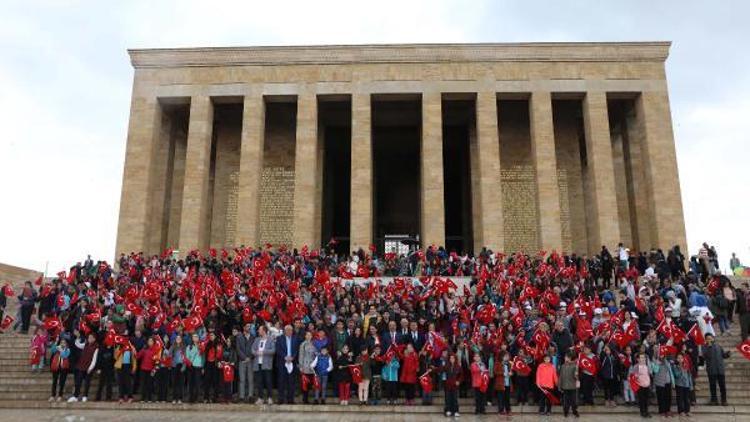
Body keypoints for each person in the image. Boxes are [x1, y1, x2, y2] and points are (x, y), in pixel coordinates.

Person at [69, 333, 98, 402]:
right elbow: (77, 345)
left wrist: (90, 368)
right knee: (78, 382)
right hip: (81, 366)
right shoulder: (85, 345)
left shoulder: (96, 347)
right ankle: (75, 396)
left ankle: (85, 396)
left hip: (89, 367)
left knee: (87, 382)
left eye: (91, 338)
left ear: (94, 339)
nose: (89, 339)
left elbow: (94, 358)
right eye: (89, 338)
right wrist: (78, 337)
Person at [275, 325, 300, 404]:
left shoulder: (296, 339)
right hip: (282, 362)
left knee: (291, 382)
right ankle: (280, 399)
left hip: (292, 362)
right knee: (281, 381)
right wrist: (285, 357)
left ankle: (290, 399)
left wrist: (293, 357)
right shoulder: (279, 338)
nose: (289, 331)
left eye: (291, 330)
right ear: (284, 331)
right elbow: (278, 349)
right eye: (287, 330)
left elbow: (297, 349)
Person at [701, 333, 728, 406]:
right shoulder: (704, 347)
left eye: (710, 338)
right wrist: (709, 347)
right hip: (711, 370)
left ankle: (724, 400)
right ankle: (714, 400)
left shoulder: (718, 346)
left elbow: (723, 355)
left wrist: (727, 354)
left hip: (720, 369)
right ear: (705, 340)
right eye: (707, 339)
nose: (709, 340)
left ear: (713, 338)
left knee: (722, 386)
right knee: (712, 386)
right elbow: (704, 356)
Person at [251, 325, 275, 405]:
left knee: (268, 381)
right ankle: (260, 398)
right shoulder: (257, 339)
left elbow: (273, 350)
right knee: (259, 382)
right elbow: (252, 349)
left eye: (260, 330)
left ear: (264, 331)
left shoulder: (270, 339)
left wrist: (263, 352)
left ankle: (270, 398)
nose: (258, 331)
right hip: (258, 364)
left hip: (267, 364)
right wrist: (256, 353)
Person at [236, 323, 255, 403]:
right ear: (244, 327)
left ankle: (250, 396)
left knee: (250, 379)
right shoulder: (239, 337)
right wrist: (244, 358)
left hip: (250, 360)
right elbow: (238, 349)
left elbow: (254, 348)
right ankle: (242, 397)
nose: (249, 328)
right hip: (242, 360)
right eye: (247, 326)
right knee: (242, 379)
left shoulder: (253, 337)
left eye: (249, 327)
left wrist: (250, 357)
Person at [651, 349, 673, 417]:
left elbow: (669, 370)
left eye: (662, 354)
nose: (661, 355)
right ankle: (662, 411)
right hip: (659, 382)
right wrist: (657, 363)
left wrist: (672, 381)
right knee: (661, 397)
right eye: (660, 354)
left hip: (667, 381)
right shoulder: (654, 361)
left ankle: (668, 410)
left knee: (668, 397)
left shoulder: (667, 361)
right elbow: (655, 371)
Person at [298, 330, 317, 404]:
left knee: (311, 384)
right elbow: (301, 355)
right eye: (307, 335)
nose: (309, 336)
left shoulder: (314, 344)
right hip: (305, 366)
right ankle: (304, 399)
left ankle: (311, 398)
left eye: (310, 335)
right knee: (305, 383)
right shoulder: (303, 344)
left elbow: (315, 354)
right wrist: (301, 366)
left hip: (312, 366)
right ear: (305, 336)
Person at [559, 351, 579, 418]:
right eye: (565, 357)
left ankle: (574, 411)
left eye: (566, 357)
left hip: (572, 387)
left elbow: (576, 377)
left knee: (573, 401)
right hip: (565, 387)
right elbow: (561, 377)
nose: (565, 358)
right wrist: (560, 386)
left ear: (570, 358)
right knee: (566, 401)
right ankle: (565, 412)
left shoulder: (574, 366)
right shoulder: (562, 366)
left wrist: (576, 375)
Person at [440, 352, 461, 417]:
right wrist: (433, 369)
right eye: (451, 358)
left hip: (455, 385)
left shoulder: (458, 366)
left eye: (453, 358)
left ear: (455, 359)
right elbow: (440, 369)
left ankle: (456, 411)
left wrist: (458, 381)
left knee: (455, 398)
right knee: (448, 398)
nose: (452, 359)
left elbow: (461, 375)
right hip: (448, 385)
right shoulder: (447, 366)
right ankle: (448, 410)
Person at [185, 333, 204, 404]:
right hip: (191, 366)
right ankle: (190, 398)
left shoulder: (201, 346)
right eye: (194, 337)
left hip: (198, 366)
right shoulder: (189, 347)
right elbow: (187, 357)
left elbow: (203, 357)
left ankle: (196, 398)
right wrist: (189, 363)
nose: (195, 338)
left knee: (197, 383)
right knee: (191, 383)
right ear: (192, 339)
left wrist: (202, 366)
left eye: (196, 337)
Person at [633, 353, 652, 418]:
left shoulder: (647, 366)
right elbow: (634, 376)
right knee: (641, 399)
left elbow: (649, 374)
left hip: (647, 385)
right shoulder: (636, 366)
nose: (643, 359)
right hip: (640, 385)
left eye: (644, 358)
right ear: (638, 359)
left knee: (646, 399)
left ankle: (646, 411)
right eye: (641, 357)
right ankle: (642, 412)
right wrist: (637, 376)